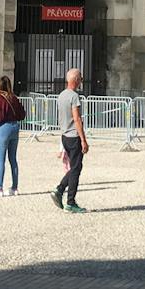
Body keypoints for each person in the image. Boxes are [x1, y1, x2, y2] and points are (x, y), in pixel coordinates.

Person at [51, 68, 89, 214]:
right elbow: (77, 118)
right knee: (75, 169)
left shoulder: (61, 95)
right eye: (80, 78)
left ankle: (59, 191)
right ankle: (69, 201)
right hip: (73, 136)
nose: (81, 81)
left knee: (75, 167)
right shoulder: (74, 96)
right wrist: (83, 140)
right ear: (76, 80)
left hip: (64, 135)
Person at [0, 76, 25, 198]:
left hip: (4, 127)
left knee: (1, 159)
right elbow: (22, 113)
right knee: (13, 159)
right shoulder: (13, 97)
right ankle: (15, 187)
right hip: (15, 126)